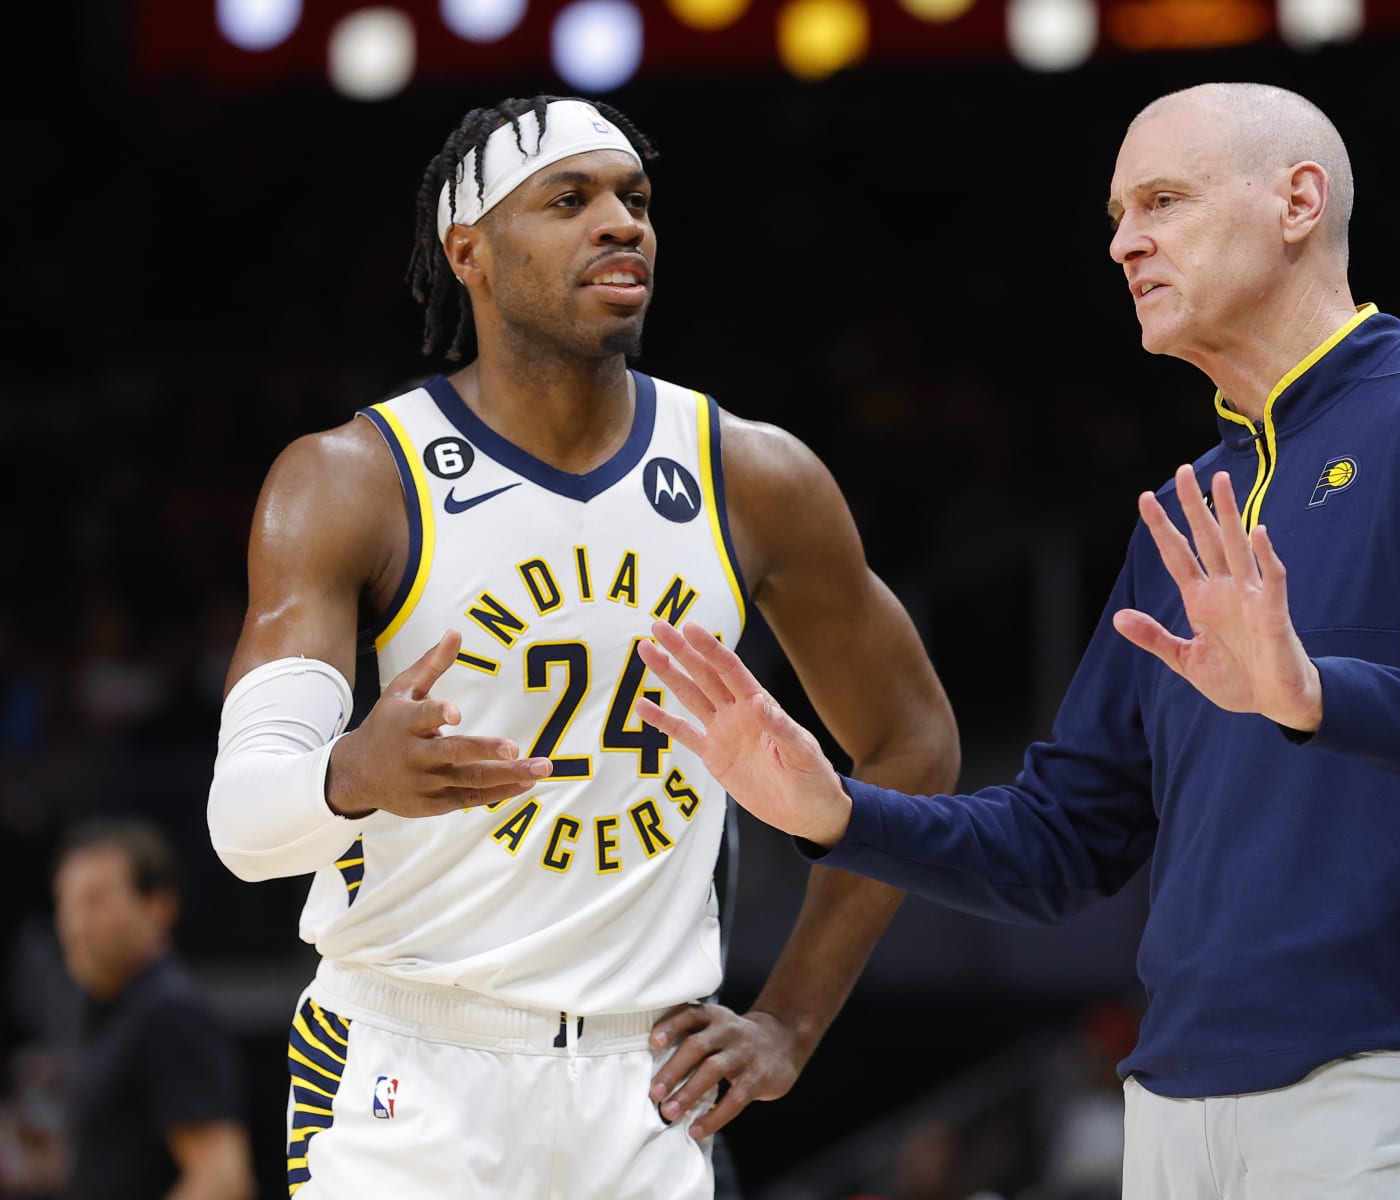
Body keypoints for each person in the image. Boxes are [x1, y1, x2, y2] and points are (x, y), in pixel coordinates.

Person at [631, 81, 1400, 1199]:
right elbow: (1064, 844)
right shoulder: (1186, 508)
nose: (1124, 244)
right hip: (1170, 1107)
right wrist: (834, 813)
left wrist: (1312, 693)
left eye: (1162, 201)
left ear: (1299, 201)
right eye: (1116, 215)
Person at [205, 94, 958, 1198]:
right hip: (412, 1067)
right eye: (572, 200)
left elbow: (915, 747)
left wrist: (790, 1022)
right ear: (469, 252)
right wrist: (352, 775)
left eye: (636, 200)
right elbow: (245, 824)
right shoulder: (351, 481)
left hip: (643, 1082)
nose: (623, 223)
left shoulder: (751, 475)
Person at [52, 818, 256, 1200]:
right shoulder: (103, 1005)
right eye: (65, 901)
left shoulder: (170, 1012)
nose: (72, 923)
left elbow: (222, 1181)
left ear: (158, 906)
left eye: (94, 900)